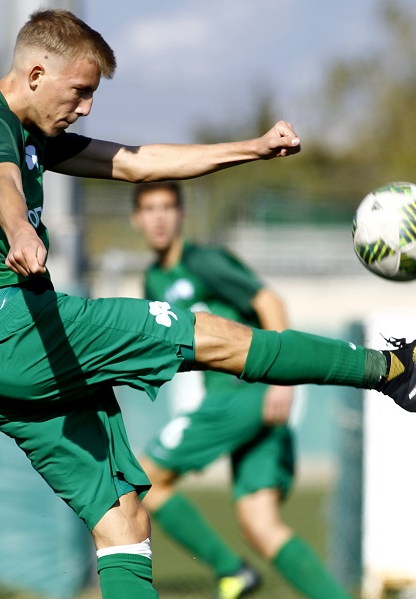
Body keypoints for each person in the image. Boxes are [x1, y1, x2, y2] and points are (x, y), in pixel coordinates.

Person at [0, 9, 416, 599]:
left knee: (124, 520)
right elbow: (0, 177)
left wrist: (253, 148)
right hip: (15, 329)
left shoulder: (29, 135)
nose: (85, 107)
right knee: (213, 336)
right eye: (80, 91)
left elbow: (135, 161)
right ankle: (395, 371)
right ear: (34, 74)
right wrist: (20, 230)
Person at [131, 180, 350, 599]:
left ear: (181, 215)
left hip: (244, 392)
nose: (158, 217)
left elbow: (269, 301)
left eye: (166, 207)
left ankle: (231, 570)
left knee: (146, 479)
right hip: (241, 401)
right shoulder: (154, 283)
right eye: (149, 209)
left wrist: (282, 377)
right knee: (260, 525)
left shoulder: (205, 262)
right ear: (136, 219)